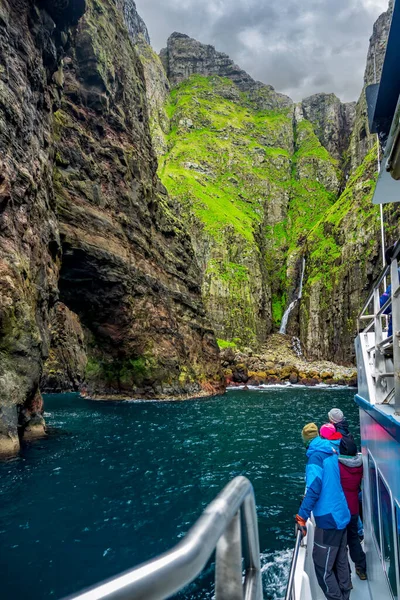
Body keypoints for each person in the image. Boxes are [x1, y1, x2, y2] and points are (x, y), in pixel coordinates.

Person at [296, 423, 351, 600]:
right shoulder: (331, 451)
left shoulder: (315, 459)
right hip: (342, 512)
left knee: (322, 565)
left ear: (306, 440)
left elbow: (313, 488)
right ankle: (346, 594)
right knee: (341, 560)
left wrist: (301, 517)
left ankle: (336, 598)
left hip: (329, 519)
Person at [338, 436, 367, 580]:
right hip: (354, 508)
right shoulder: (360, 465)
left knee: (341, 542)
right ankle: (361, 568)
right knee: (353, 539)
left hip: (341, 509)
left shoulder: (338, 466)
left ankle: (345, 574)